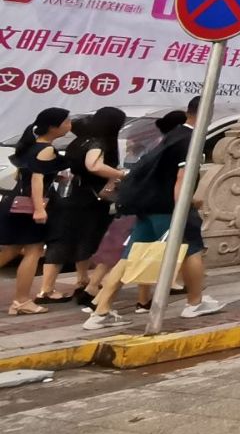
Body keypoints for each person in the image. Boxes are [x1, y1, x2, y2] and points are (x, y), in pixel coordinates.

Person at [84, 108, 223, 329]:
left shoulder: (170, 136)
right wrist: (182, 209)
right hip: (167, 207)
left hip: (145, 205)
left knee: (129, 257)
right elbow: (182, 178)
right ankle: (195, 303)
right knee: (191, 249)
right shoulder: (189, 141)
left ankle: (101, 311)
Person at [38, 107, 126, 306]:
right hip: (87, 200)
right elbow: (94, 165)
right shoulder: (98, 142)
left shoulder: (80, 140)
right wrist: (121, 174)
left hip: (65, 196)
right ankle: (76, 283)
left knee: (61, 240)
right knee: (84, 239)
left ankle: (53, 286)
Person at [3, 108, 68, 316]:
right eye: (66, 122)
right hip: (29, 207)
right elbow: (36, 179)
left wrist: (54, 177)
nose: (69, 125)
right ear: (53, 127)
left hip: (15, 203)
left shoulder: (30, 146)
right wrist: (39, 209)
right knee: (33, 251)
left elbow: (21, 176)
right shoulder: (46, 149)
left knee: (11, 250)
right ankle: (21, 300)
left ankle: (21, 300)